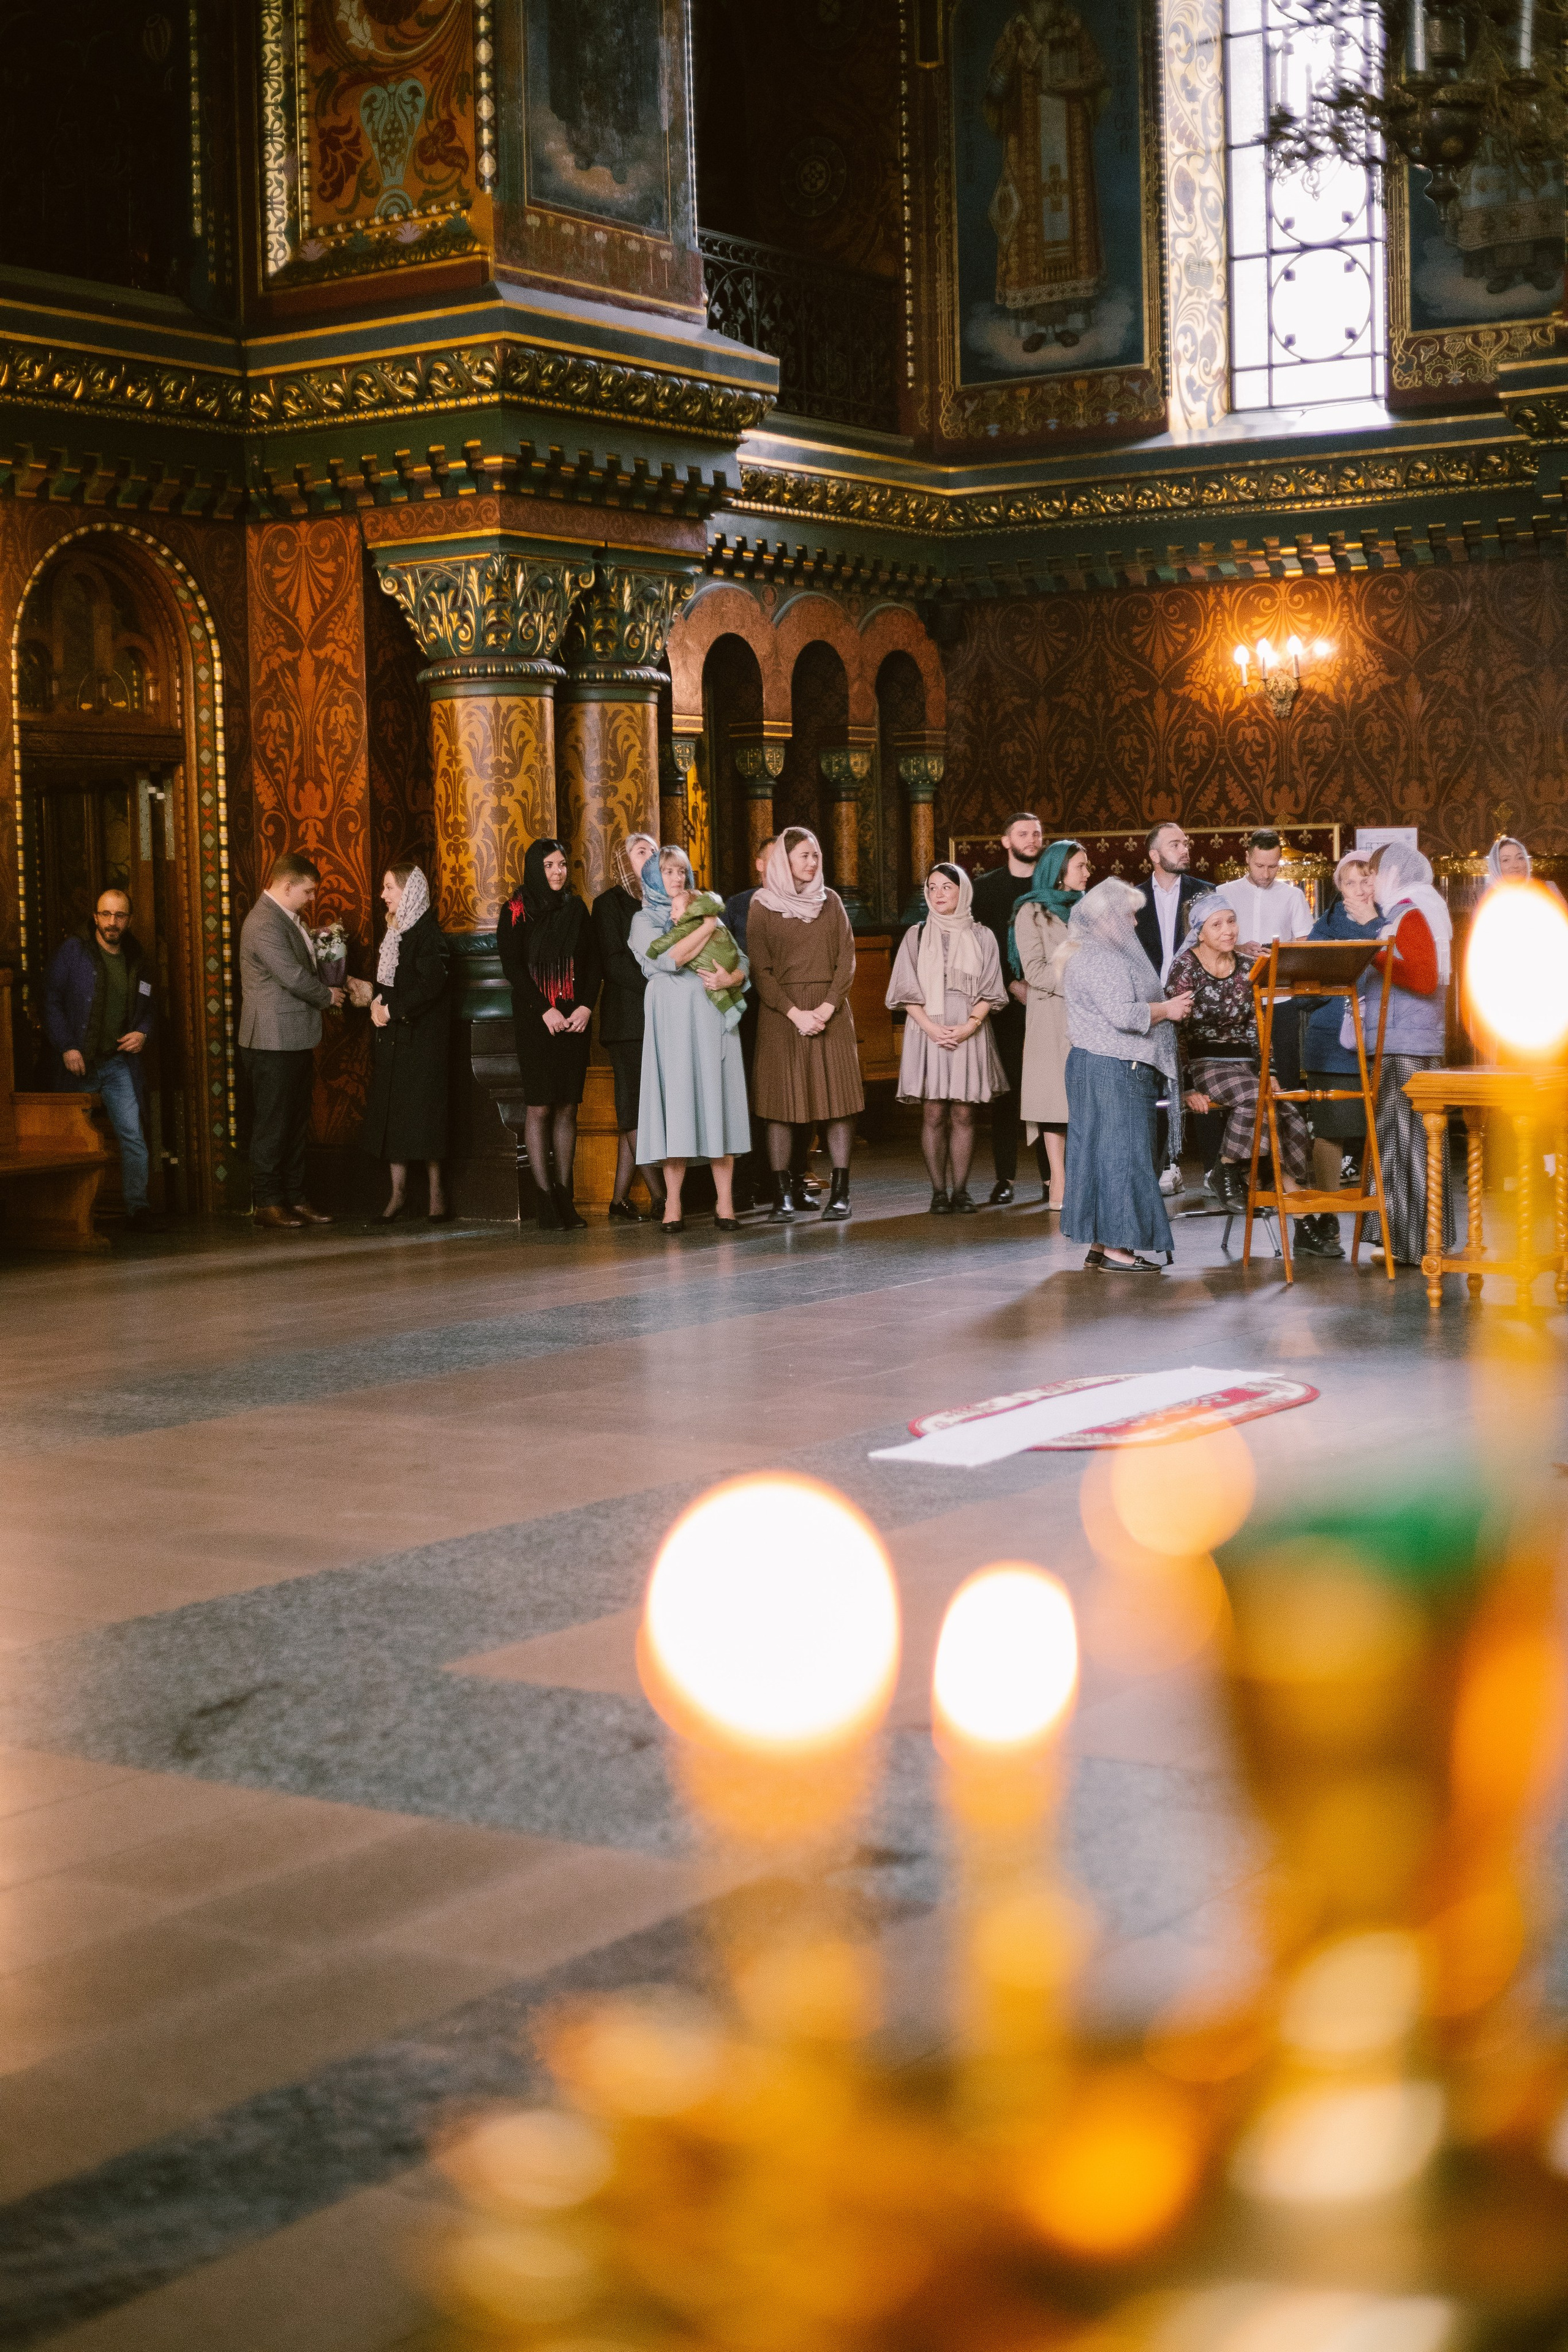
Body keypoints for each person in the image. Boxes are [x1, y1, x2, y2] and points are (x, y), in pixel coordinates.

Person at [1165, 894, 1318, 1254]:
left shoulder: (1249, 965)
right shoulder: (1184, 968)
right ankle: (1226, 1168)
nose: (1228, 930)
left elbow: (1258, 1026)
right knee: (1256, 1098)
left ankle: (1302, 1220)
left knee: (1289, 1116)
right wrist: (1185, 1088)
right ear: (1200, 933)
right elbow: (1173, 1032)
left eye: (1232, 921)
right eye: (1217, 924)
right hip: (1203, 1064)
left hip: (1245, 1066)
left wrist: (1272, 1071)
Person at [1060, 878, 1192, 1272]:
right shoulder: (1103, 958)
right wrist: (1167, 1010)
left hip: (1100, 1064)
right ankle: (1120, 1248)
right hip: (1114, 1065)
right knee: (1124, 1156)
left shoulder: (1091, 952)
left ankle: (1102, 1245)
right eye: (1130, 915)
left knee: (1102, 1156)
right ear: (1107, 918)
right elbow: (1123, 1014)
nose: (1136, 924)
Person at [631, 845, 750, 1232]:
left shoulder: (703, 906)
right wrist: (707, 926)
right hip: (672, 1024)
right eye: (668, 872)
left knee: (719, 1101)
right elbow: (670, 959)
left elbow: (740, 960)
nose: (677, 879)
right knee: (677, 1105)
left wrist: (731, 978)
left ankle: (726, 1204)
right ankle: (673, 1204)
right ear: (653, 877)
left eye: (682, 872)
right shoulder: (644, 920)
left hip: (712, 1017)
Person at [747, 827, 863, 1222]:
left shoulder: (830, 902)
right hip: (783, 1017)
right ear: (784, 860)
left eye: (816, 856)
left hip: (830, 1013)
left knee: (838, 1106)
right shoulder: (761, 906)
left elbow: (846, 959)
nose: (812, 864)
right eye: (804, 856)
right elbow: (761, 970)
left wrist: (827, 1008)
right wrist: (795, 1013)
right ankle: (781, 1197)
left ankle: (841, 1193)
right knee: (781, 1107)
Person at [886, 863, 1009, 1214]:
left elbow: (991, 989)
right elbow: (905, 991)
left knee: (964, 1113)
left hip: (968, 1026)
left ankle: (962, 1191)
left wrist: (970, 1025)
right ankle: (938, 1192)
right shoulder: (917, 933)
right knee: (933, 1112)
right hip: (928, 1027)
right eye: (933, 887)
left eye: (946, 888)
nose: (938, 894)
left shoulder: (982, 935)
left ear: (962, 892)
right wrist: (931, 1027)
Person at [1355, 842, 1456, 1267]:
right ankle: (1406, 1239)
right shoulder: (1413, 910)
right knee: (1404, 1140)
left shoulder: (1410, 912)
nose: (1369, 885)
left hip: (1407, 1042)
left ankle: (1414, 1244)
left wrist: (1370, 947)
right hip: (1408, 1037)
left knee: (1409, 1140)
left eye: (1373, 875)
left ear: (1392, 873)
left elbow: (1423, 976)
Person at [497, 838, 602, 1234]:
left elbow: (593, 964)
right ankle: (543, 1199)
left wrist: (585, 1007)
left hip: (574, 1020)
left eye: (562, 865)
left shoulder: (577, 909)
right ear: (535, 869)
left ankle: (564, 1195)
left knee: (567, 1108)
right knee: (540, 1107)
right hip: (536, 1021)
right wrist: (546, 1010)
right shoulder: (516, 911)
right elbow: (513, 968)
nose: (558, 873)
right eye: (550, 866)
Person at [43, 885, 162, 1234]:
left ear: (129, 919)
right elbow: (50, 1001)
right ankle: (66, 1216)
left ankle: (137, 1211)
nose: (113, 922)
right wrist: (67, 1046)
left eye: (120, 915)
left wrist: (143, 1032)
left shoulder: (136, 955)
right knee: (67, 1143)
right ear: (95, 916)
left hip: (117, 1063)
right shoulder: (74, 951)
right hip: (77, 1063)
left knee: (134, 1137)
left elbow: (150, 1005)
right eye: (106, 914)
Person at [238, 852, 344, 1231]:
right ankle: (267, 1202)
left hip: (292, 1038)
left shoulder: (285, 918)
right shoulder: (264, 921)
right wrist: (329, 996)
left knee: (296, 1122)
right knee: (273, 1124)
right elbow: (291, 975)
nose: (312, 899)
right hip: (270, 1041)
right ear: (287, 885)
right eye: (309, 891)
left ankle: (295, 1198)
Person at [349, 864, 449, 1221]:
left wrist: (393, 1010)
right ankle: (398, 1195)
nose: (383, 895)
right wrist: (375, 1000)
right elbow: (389, 982)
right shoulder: (394, 931)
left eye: (390, 887)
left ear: (409, 891)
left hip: (420, 1041)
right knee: (393, 1118)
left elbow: (431, 985)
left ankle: (437, 1195)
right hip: (393, 1040)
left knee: (425, 1119)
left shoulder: (427, 933)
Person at [724, 837, 818, 1211]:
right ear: (761, 864)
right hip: (750, 1012)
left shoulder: (809, 900)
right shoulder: (738, 905)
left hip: (794, 1010)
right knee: (752, 1099)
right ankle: (749, 1183)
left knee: (799, 1100)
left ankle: (796, 1179)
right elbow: (729, 953)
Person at [1298, 854, 1383, 1258]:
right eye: (1351, 883)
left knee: (1377, 1130)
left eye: (1366, 879)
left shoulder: (1390, 921)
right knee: (1331, 1128)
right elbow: (1306, 987)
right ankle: (1325, 1216)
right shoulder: (1324, 929)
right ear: (1340, 889)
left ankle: (1384, 1222)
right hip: (1331, 1041)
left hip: (1378, 1041)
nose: (1361, 888)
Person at [971, 811, 1046, 1204]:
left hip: (1049, 1003)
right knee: (1006, 1093)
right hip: (1002, 1004)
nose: (1032, 839)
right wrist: (1010, 984)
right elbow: (980, 949)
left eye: (1037, 833)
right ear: (1006, 841)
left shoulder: (1051, 884)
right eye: (1023, 833)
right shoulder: (984, 890)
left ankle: (1054, 1177)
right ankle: (1005, 1178)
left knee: (1050, 1090)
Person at [592, 834, 666, 1224]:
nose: (651, 857)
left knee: (637, 1111)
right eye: (642, 853)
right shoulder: (608, 904)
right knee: (634, 1110)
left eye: (654, 851)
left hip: (663, 1017)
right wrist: (660, 981)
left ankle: (618, 1201)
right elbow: (614, 963)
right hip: (627, 1022)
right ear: (623, 859)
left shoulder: (664, 899)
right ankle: (663, 1196)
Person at [1012, 839, 1090, 1208]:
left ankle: (1082, 1180)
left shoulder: (1089, 910)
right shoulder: (1032, 912)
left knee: (1082, 1104)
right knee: (1054, 1105)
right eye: (1080, 867)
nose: (1087, 873)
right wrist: (1084, 983)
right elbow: (1036, 971)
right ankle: (1058, 1183)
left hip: (1088, 1019)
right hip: (1051, 1016)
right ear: (1060, 872)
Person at [1216, 829, 1316, 962]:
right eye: (1259, 866)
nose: (1266, 875)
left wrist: (1279, 953)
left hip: (1279, 974)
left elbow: (1306, 946)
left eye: (1272, 867)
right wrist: (1238, 949)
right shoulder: (1223, 893)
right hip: (1232, 975)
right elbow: (1208, 943)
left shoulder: (1294, 896)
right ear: (1247, 858)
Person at [1133, 821, 1207, 984]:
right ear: (1154, 856)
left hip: (1193, 990)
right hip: (1149, 995)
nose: (1185, 850)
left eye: (1185, 844)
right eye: (1175, 846)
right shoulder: (1134, 899)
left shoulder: (1205, 892)